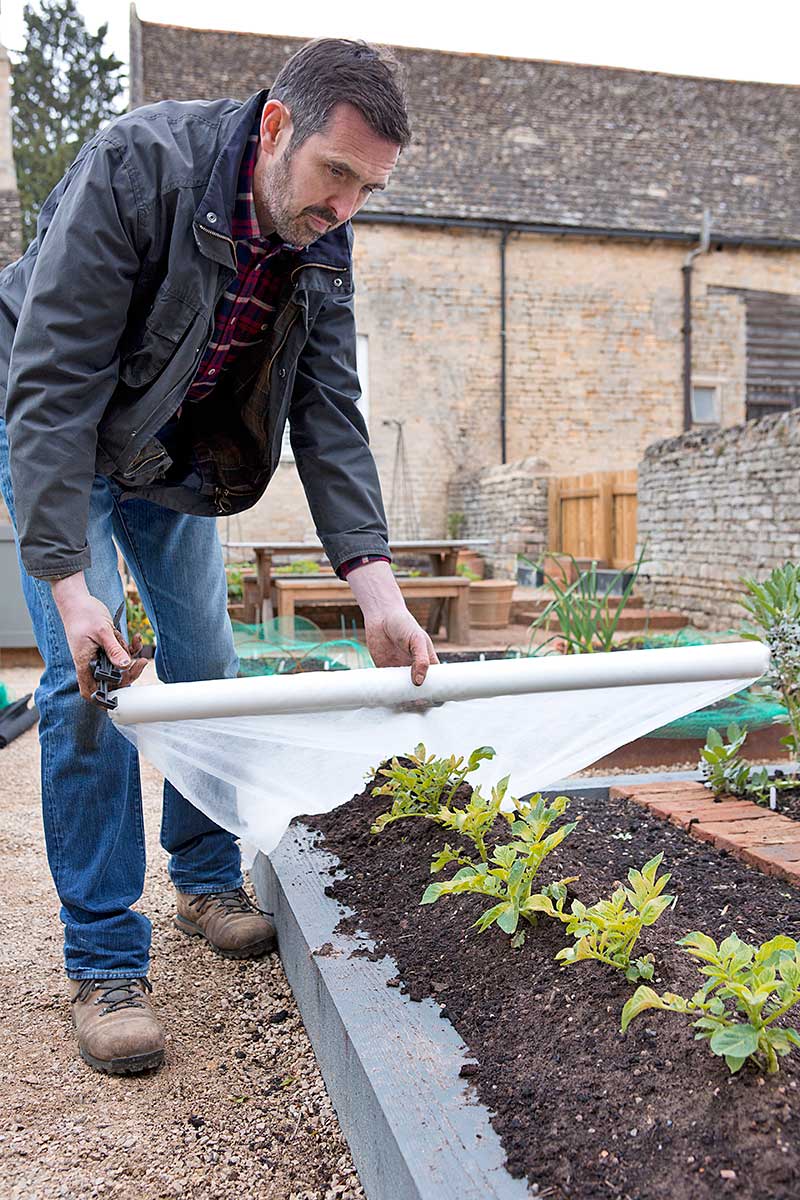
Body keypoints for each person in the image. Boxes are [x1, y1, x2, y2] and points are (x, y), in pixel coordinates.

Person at [0, 37, 438, 1075]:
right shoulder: (136, 167)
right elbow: (54, 381)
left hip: (172, 454)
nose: (347, 205)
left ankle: (203, 877)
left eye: (369, 188)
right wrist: (68, 584)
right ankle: (105, 963)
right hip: (57, 430)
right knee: (88, 685)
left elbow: (331, 411)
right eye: (338, 173)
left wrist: (374, 588)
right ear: (276, 127)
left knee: (209, 668)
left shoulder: (321, 235)